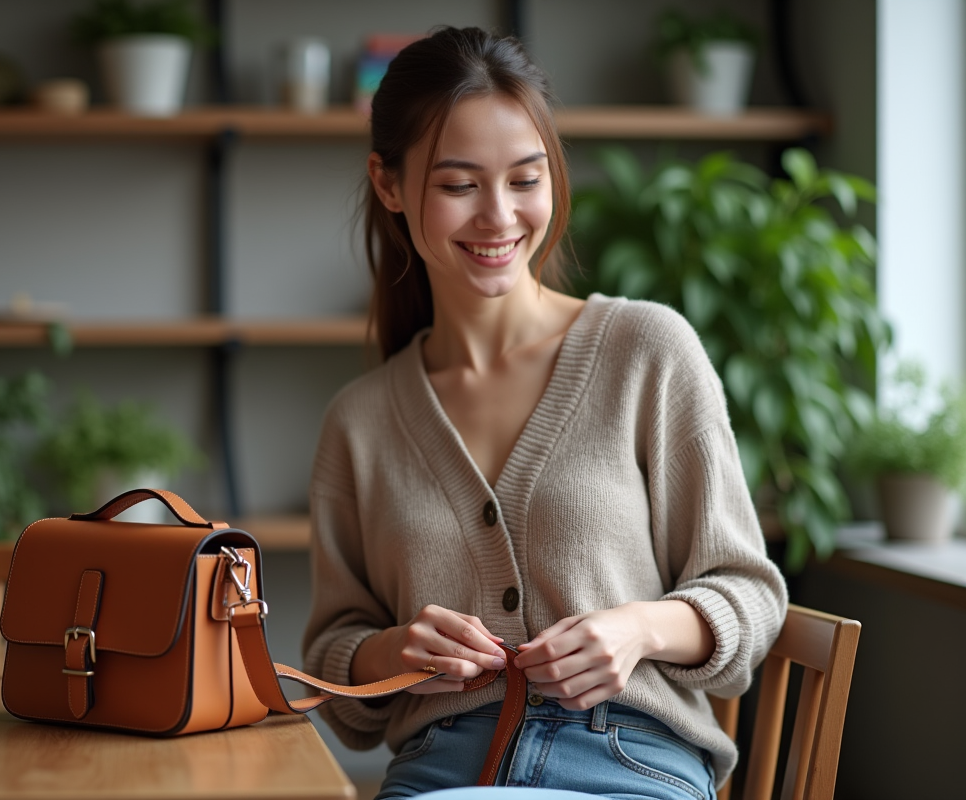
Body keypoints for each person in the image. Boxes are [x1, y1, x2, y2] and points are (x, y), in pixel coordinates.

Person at [302, 26, 788, 800]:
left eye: (525, 179)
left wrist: (637, 630)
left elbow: (749, 595)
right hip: (442, 773)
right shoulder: (359, 422)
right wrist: (395, 649)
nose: (499, 217)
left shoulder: (646, 351)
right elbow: (333, 653)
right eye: (459, 185)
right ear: (389, 185)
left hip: (631, 762)